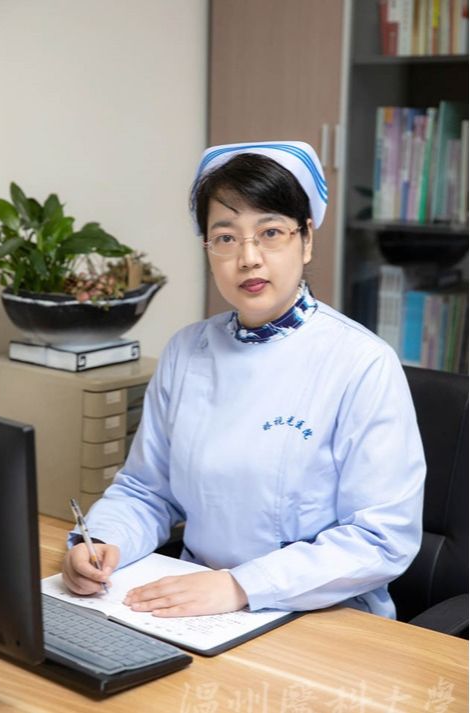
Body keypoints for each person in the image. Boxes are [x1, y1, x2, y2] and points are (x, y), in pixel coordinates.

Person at [62, 140, 425, 620]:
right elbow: (147, 490)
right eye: (226, 238)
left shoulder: (362, 363)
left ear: (306, 239)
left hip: (322, 611)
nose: (248, 258)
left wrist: (241, 586)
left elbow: (381, 538)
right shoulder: (186, 351)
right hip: (195, 602)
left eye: (270, 232)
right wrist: (102, 542)